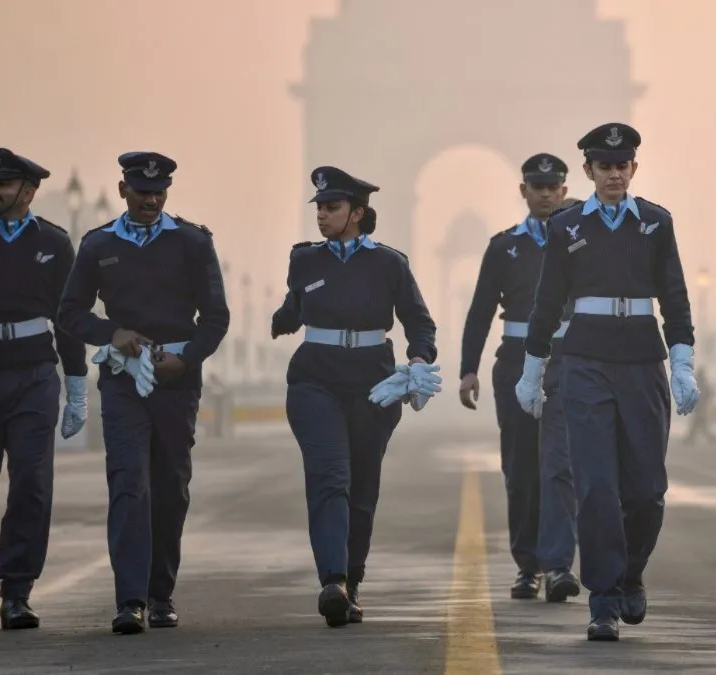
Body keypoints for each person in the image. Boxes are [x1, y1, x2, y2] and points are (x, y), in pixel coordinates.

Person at [515, 122, 699, 641]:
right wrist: (533, 370)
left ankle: (630, 573)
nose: (614, 174)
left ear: (633, 169)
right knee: (596, 487)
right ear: (588, 171)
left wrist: (682, 362)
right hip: (584, 362)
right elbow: (547, 302)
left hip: (642, 361)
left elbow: (675, 296)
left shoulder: (657, 223)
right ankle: (602, 600)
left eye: (622, 166)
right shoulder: (567, 226)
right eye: (604, 166)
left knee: (646, 491)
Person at [58, 152, 230, 635]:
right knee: (129, 483)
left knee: (170, 487)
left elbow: (216, 318)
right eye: (142, 192)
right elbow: (69, 313)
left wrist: (187, 359)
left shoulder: (193, 242)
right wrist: (111, 332)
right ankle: (129, 600)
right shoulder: (97, 246)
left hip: (176, 380)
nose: (151, 200)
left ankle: (160, 594)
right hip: (123, 380)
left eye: (159, 192)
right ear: (122, 191)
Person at [271, 167, 440, 628]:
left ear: (359, 213)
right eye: (320, 208)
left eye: (332, 208)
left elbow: (418, 322)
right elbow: (296, 303)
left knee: (363, 487)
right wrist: (281, 318)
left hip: (373, 384)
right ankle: (333, 580)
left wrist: (420, 362)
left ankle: (353, 582)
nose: (322, 216)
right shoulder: (305, 259)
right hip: (314, 380)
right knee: (330, 476)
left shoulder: (389, 264)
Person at [0, 148, 88, 630]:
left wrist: (76, 387)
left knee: (32, 482)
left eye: (3, 184)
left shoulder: (54, 243)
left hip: (33, 376)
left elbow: (67, 319)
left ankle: (16, 592)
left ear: (27, 192)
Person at [459, 154, 580, 602]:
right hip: (513, 363)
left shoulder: (580, 240)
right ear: (523, 190)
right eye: (537, 186)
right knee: (521, 468)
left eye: (553, 187)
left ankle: (558, 566)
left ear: (565, 191)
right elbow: (480, 310)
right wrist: (468, 368)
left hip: (567, 360)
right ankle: (527, 565)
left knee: (560, 464)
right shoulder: (503, 246)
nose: (545, 194)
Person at [684, 367, 716, 445]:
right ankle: (710, 439)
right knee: (701, 425)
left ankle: (690, 439)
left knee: (699, 425)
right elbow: (709, 393)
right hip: (700, 407)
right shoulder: (701, 383)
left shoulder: (698, 383)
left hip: (699, 407)